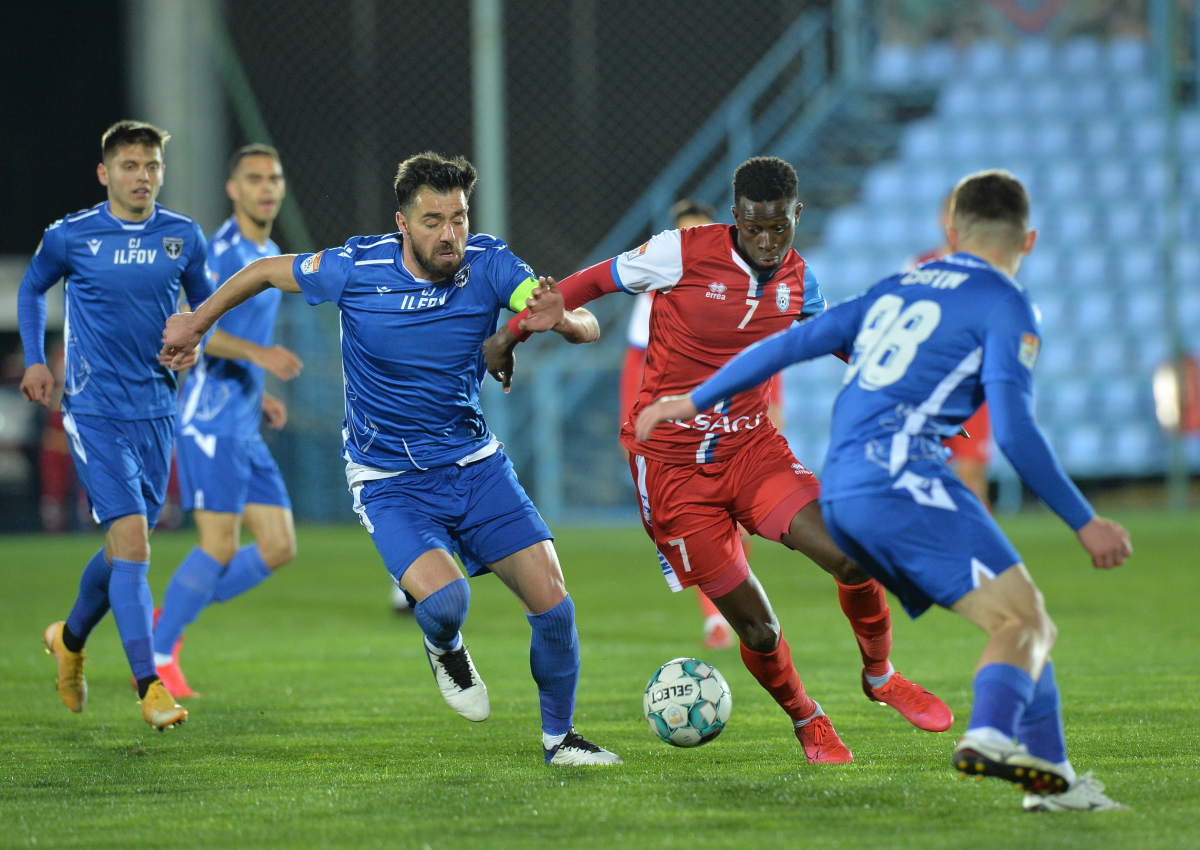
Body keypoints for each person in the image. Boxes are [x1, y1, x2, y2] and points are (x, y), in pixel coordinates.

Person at [636, 169, 1130, 811]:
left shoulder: (898, 287)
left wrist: (695, 398)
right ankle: (988, 737)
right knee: (1022, 622)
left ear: (949, 233)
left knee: (1025, 616)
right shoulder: (1007, 302)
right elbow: (1013, 429)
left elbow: (792, 344)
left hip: (845, 483)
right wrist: (1084, 519)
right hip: (906, 480)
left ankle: (1053, 781)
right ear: (1028, 241)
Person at [485, 156, 952, 765]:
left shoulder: (799, 278)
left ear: (796, 217)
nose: (765, 241)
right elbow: (593, 281)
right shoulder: (680, 252)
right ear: (735, 216)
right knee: (757, 629)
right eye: (754, 226)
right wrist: (513, 332)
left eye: (778, 228)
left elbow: (844, 341)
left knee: (852, 553)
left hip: (752, 450)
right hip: (674, 473)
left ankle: (881, 676)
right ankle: (808, 718)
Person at [160, 151, 621, 766]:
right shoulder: (356, 265)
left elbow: (584, 320)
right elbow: (267, 270)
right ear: (402, 223)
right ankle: (445, 646)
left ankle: (559, 740)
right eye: (433, 219)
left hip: (475, 465)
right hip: (390, 478)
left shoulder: (489, 263)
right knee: (445, 602)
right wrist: (197, 321)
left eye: (457, 216)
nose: (449, 232)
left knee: (555, 606)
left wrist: (561, 321)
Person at [18, 120, 212, 730]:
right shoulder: (72, 235)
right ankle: (148, 686)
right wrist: (32, 358)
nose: (142, 177)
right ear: (106, 173)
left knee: (122, 549)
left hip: (155, 411)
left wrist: (197, 341)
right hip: (93, 409)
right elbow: (31, 288)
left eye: (152, 166)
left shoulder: (182, 237)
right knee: (135, 545)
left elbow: (204, 309)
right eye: (130, 166)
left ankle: (70, 640)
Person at [151, 144, 304, 698]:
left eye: (275, 177)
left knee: (279, 544)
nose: (268, 187)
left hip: (241, 418)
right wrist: (260, 358)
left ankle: (169, 618)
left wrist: (259, 392)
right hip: (210, 421)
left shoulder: (269, 248)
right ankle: (160, 653)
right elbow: (197, 326)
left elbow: (240, 343)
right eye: (255, 178)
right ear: (233, 189)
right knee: (217, 544)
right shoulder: (223, 252)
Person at [620, 198, 777, 651]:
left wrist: (775, 402)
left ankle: (735, 612)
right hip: (677, 430)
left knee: (738, 523)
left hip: (733, 419)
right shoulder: (655, 292)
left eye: (698, 229)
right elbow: (636, 359)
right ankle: (720, 616)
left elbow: (770, 347)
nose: (689, 240)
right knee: (702, 525)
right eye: (681, 232)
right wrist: (629, 416)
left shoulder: (745, 282)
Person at [910, 193, 992, 504]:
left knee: (972, 475)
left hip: (971, 385)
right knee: (925, 474)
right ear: (941, 219)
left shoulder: (984, 268)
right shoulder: (920, 266)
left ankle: (982, 551)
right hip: (928, 386)